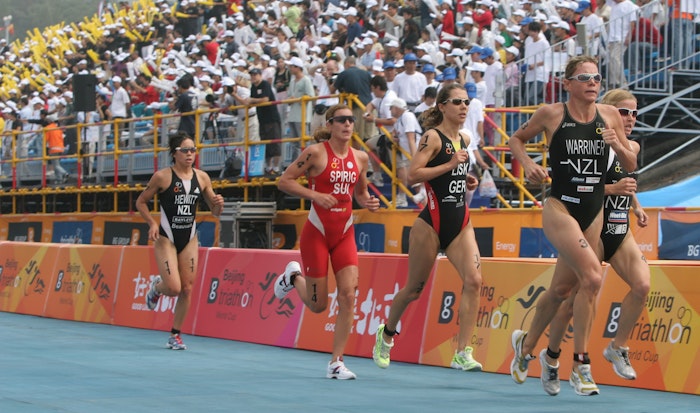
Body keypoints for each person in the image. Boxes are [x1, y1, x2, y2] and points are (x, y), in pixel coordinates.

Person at [508, 56, 637, 396]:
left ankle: (526, 347)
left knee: (562, 291)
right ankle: (581, 364)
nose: (592, 83)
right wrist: (528, 165)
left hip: (593, 212)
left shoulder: (609, 115)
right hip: (561, 207)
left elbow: (631, 162)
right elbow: (515, 140)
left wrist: (616, 144)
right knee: (593, 277)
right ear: (567, 84)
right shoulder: (551, 114)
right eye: (584, 78)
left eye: (596, 77)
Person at [539, 89, 650, 396]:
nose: (630, 119)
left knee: (642, 285)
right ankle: (551, 358)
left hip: (619, 229)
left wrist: (636, 205)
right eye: (624, 112)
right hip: (590, 229)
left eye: (634, 113)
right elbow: (580, 184)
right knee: (567, 300)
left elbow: (627, 180)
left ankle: (618, 347)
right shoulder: (589, 142)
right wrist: (613, 189)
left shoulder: (631, 146)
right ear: (607, 113)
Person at [372, 83, 484, 372]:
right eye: (457, 102)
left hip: (460, 221)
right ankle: (386, 333)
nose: (463, 107)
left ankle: (462, 351)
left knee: (474, 281)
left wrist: (466, 178)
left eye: (466, 102)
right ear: (442, 106)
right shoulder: (432, 137)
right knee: (413, 290)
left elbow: (453, 171)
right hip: (431, 224)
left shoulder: (465, 138)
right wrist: (450, 165)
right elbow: (413, 175)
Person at [273, 104, 380, 379]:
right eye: (341, 120)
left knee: (348, 295)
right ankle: (293, 277)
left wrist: (367, 202)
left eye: (351, 120)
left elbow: (360, 193)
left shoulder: (360, 158)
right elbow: (284, 181)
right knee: (318, 305)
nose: (347, 124)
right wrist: (315, 196)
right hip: (317, 233)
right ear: (330, 124)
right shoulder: (315, 152)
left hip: (344, 233)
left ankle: (336, 362)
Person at [137, 132, 224, 350]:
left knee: (186, 288)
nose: (190, 154)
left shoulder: (202, 178)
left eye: (193, 150)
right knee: (174, 288)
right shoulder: (162, 177)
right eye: (185, 150)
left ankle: (175, 335)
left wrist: (219, 204)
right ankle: (157, 288)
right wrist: (152, 223)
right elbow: (141, 202)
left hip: (189, 237)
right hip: (166, 237)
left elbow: (214, 212)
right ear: (174, 153)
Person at [249, 67, 283, 175]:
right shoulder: (253, 87)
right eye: (252, 75)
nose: (253, 77)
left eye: (255, 75)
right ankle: (268, 167)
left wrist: (253, 100)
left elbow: (265, 99)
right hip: (262, 119)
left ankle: (276, 167)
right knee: (265, 143)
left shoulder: (265, 84)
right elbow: (251, 102)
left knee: (275, 143)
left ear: (260, 75)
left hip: (272, 118)